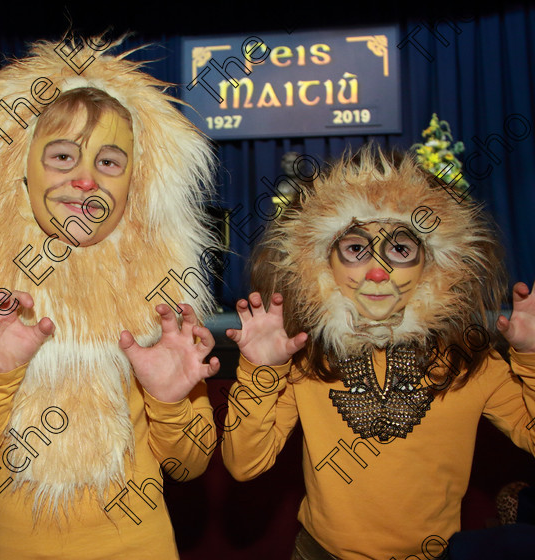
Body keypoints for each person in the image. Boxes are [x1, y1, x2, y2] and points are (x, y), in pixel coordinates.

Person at [0, 36, 220, 559]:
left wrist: (170, 401)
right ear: (21, 168)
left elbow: (191, 464)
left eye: (110, 162)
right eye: (62, 156)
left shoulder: (164, 302)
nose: (84, 180)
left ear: (137, 182)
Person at [221, 146, 535, 560]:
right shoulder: (304, 357)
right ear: (322, 263)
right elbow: (245, 463)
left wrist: (530, 359)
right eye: (355, 249)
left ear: (433, 264)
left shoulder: (470, 362)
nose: (377, 272)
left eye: (400, 251)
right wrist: (261, 372)